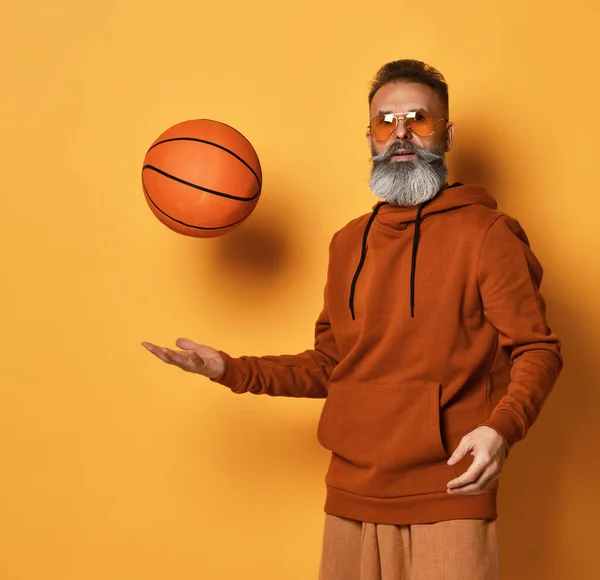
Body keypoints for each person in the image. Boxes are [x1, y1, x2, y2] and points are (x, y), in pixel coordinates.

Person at [142, 59, 563, 580]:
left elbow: (536, 348)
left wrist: (502, 429)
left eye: (419, 119)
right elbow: (331, 365)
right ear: (369, 136)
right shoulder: (347, 244)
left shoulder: (488, 235)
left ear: (447, 134)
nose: (401, 134)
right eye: (386, 122)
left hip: (449, 492)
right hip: (349, 495)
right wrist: (230, 369)